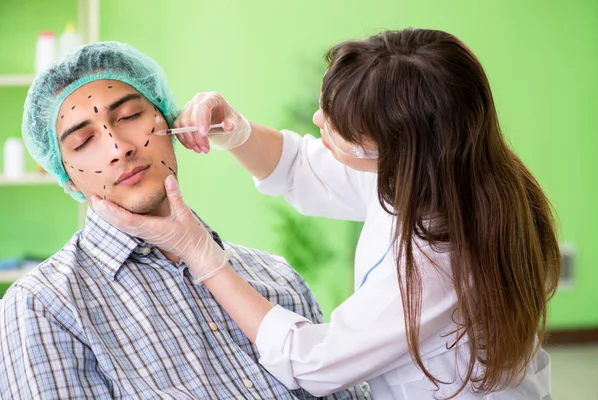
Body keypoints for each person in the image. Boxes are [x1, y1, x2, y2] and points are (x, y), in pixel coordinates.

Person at [94, 29, 561, 399]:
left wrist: (202, 255)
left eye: (338, 127)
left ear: (398, 152)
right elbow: (300, 166)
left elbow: (312, 364)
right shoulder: (443, 170)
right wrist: (234, 131)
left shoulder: (440, 257)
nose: (319, 123)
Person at [0, 41, 370, 400]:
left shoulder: (276, 279)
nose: (119, 148)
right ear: (66, 177)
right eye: (82, 141)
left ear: (167, 119)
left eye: (129, 117)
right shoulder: (45, 306)